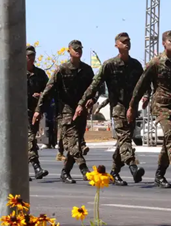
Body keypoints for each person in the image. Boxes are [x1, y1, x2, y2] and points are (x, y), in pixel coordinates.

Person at [78, 32, 146, 186]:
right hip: (118, 107)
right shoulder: (109, 65)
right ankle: (133, 167)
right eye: (123, 42)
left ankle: (114, 172)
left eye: (128, 41)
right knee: (124, 138)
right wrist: (83, 102)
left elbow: (144, 83)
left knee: (124, 141)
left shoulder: (136, 65)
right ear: (116, 45)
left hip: (132, 107)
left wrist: (146, 97)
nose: (127, 44)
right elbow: (95, 84)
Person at [35, 40, 95, 184]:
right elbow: (48, 91)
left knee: (74, 142)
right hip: (65, 111)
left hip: (81, 111)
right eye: (75, 49)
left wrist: (92, 99)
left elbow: (94, 88)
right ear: (69, 51)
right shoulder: (61, 70)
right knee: (73, 141)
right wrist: (39, 109)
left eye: (80, 49)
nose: (78, 51)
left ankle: (65, 171)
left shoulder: (87, 70)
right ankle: (84, 169)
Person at [129, 30, 171, 188]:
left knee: (168, 140)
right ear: (163, 43)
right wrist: (133, 106)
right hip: (161, 106)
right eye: (170, 42)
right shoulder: (155, 63)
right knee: (170, 134)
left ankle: (160, 174)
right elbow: (140, 86)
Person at [26, 45, 50, 179]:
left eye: (33, 56)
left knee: (28, 141)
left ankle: (22, 170)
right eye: (28, 56)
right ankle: (36, 167)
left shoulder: (40, 74)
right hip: (18, 112)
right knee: (30, 139)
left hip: (34, 112)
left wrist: (40, 95)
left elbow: (49, 92)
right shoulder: (15, 73)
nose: (31, 58)